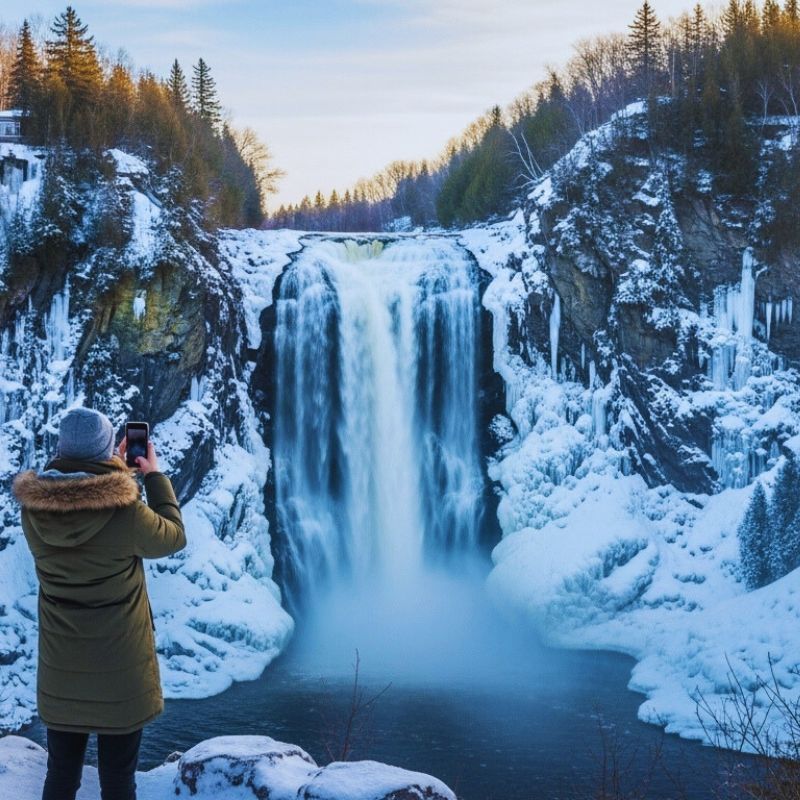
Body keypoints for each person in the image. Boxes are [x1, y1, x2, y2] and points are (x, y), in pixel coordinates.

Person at [12, 407, 186, 800]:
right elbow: (173, 536)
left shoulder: (33, 512)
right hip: (121, 674)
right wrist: (150, 474)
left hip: (62, 673)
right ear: (108, 449)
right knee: (118, 782)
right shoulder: (125, 512)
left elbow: (75, 497)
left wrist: (109, 469)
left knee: (60, 777)